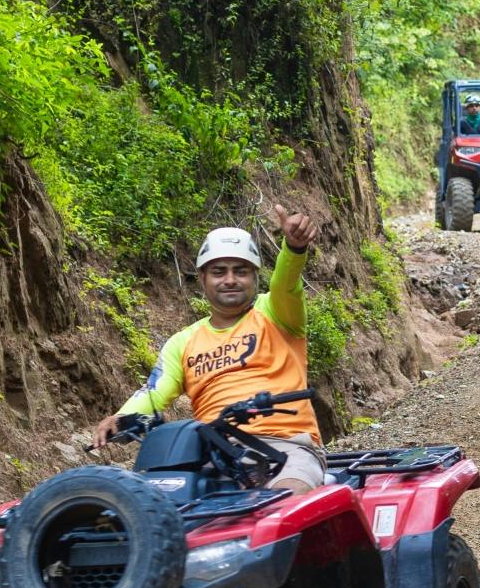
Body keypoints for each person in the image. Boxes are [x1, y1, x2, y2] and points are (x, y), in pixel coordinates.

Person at [90, 206, 328, 493]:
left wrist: (293, 248)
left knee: (285, 502)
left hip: (285, 447)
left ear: (255, 277)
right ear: (202, 279)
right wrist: (120, 418)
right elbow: (154, 392)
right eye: (219, 272)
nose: (230, 280)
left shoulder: (276, 313)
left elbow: (286, 282)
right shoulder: (183, 341)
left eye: (240, 271)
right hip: (211, 454)